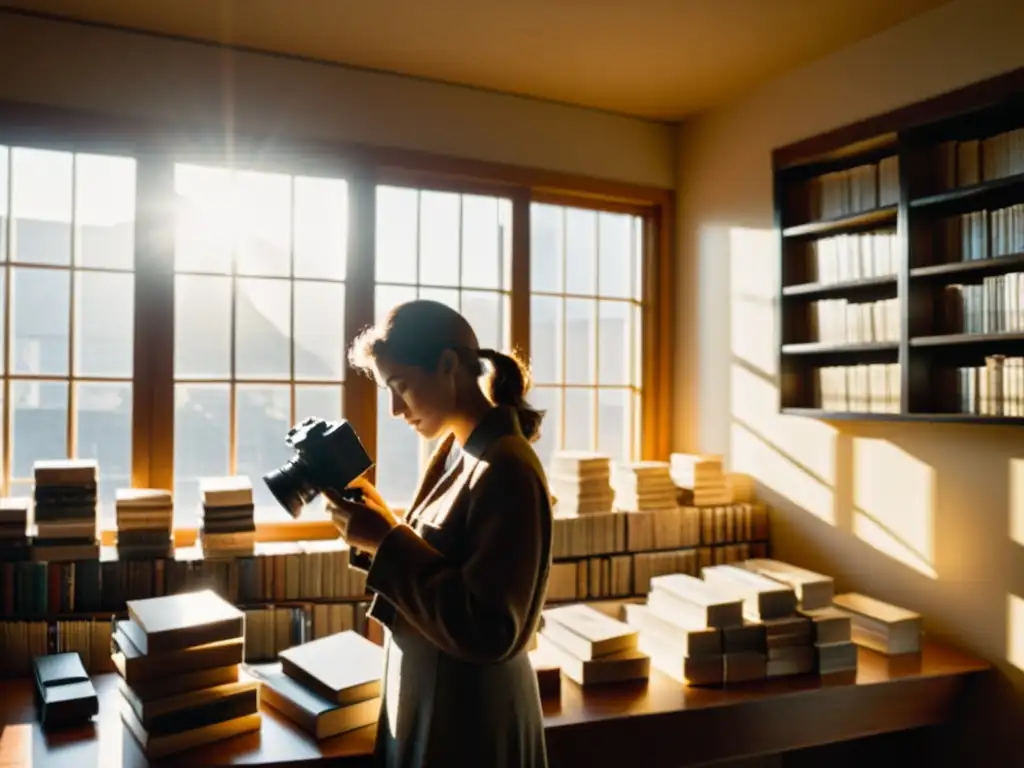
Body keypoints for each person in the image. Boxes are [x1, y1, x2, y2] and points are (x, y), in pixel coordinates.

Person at [329, 299, 552, 768]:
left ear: (449, 365)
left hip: (473, 723)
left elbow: (491, 628)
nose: (393, 409)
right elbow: (439, 562)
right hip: (437, 704)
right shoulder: (454, 451)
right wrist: (381, 528)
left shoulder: (506, 466)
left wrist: (386, 542)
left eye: (401, 387)